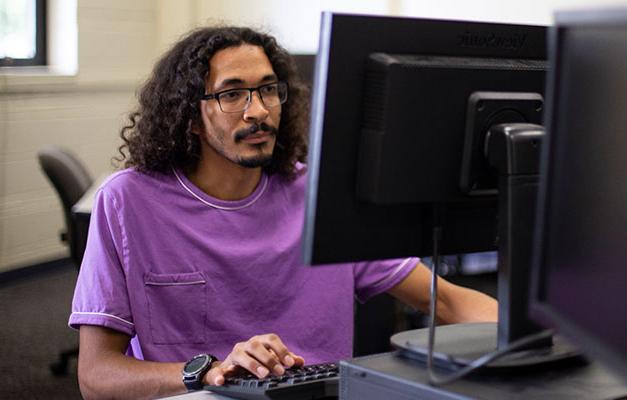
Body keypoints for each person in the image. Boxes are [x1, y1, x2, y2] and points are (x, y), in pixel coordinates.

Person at [69, 26, 498, 400]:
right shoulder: (128, 202)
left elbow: (446, 301)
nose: (258, 111)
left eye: (268, 89)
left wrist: (544, 332)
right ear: (190, 116)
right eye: (232, 93)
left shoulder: (318, 195)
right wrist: (209, 371)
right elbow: (96, 377)